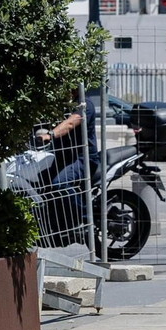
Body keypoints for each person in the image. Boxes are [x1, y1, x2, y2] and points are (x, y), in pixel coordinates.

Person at [43, 92, 100, 236]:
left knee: (60, 183)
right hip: (62, 157)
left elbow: (70, 123)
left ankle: (84, 221)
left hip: (83, 158)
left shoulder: (84, 104)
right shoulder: (59, 105)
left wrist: (50, 135)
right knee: (41, 181)